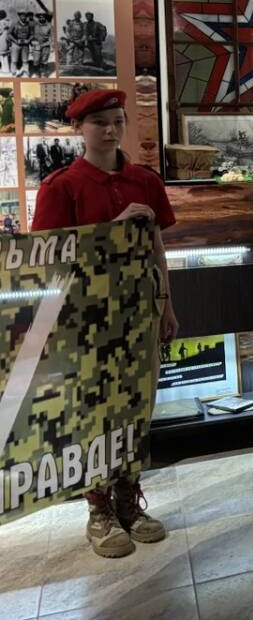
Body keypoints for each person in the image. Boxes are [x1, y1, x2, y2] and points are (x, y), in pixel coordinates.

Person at [31, 88, 178, 559]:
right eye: (99, 123)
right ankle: (99, 510)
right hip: (87, 318)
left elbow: (156, 247)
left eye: (118, 121)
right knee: (94, 412)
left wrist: (166, 305)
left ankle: (129, 501)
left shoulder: (145, 180)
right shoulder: (62, 187)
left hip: (139, 311)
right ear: (79, 128)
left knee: (136, 407)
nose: (111, 130)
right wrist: (114, 226)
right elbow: (48, 261)